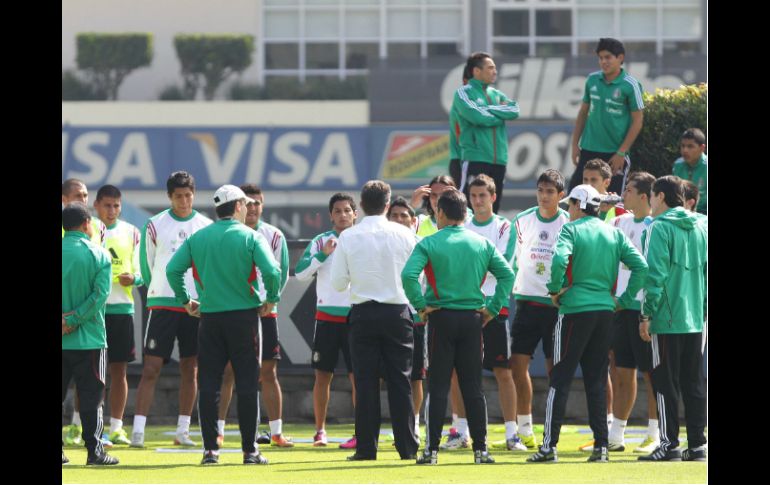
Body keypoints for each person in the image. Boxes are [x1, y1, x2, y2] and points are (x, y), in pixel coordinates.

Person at [527, 184, 647, 464]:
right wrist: (624, 298)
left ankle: (549, 447)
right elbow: (640, 266)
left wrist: (555, 290)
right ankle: (602, 448)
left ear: (579, 205)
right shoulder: (613, 232)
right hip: (605, 312)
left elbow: (559, 259)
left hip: (573, 311)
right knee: (596, 380)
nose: (568, 209)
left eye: (570, 205)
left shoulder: (571, 230)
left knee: (560, 379)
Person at [166, 184, 282, 465]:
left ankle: (210, 451)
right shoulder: (250, 237)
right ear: (239, 206)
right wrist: (272, 298)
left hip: (210, 318)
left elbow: (173, 269)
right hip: (244, 318)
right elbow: (272, 271)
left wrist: (185, 300)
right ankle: (249, 451)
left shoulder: (199, 237)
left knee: (208, 384)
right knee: (246, 384)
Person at [403, 188, 514, 465]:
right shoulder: (482, 243)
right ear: (465, 213)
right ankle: (481, 450)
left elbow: (408, 275)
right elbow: (507, 274)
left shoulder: (429, 243)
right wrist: (491, 308)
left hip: (440, 318)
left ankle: (431, 451)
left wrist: (420, 305)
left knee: (438, 385)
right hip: (472, 320)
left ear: (440, 212)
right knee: (473, 386)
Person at [331, 180, 420, 461]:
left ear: (361, 204)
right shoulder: (405, 235)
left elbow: (337, 283)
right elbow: (419, 277)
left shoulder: (349, 237)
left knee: (366, 382)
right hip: (397, 312)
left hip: (363, 313)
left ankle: (366, 449)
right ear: (387, 202)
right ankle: (407, 447)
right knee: (401, 381)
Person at [131, 171, 213, 448]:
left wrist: (200, 298)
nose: (184, 200)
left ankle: (183, 430)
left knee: (191, 368)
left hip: (194, 307)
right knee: (151, 368)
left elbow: (207, 267)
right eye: (178, 196)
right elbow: (147, 264)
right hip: (163, 304)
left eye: (188, 195)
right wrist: (155, 290)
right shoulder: (154, 224)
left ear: (194, 194)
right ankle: (138, 431)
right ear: (170, 197)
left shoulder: (205, 225)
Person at [215, 184, 293, 448]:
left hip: (265, 311)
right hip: (236, 310)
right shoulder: (228, 233)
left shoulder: (274, 235)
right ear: (240, 205)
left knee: (268, 371)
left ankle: (277, 431)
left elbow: (279, 274)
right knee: (228, 372)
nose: (253, 207)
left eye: (258, 203)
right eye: (249, 203)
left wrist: (271, 301)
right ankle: (219, 430)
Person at [638, 176, 708, 462]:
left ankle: (668, 444)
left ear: (662, 197)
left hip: (666, 319)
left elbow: (654, 275)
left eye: (653, 196)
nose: (650, 202)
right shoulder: (702, 226)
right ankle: (698, 445)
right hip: (695, 319)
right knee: (693, 382)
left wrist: (646, 314)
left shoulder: (659, 227)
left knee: (664, 382)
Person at [507, 169, 570, 451]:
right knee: (517, 366)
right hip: (526, 302)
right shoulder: (522, 220)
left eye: (550, 192)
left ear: (561, 195)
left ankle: (550, 428)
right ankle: (524, 428)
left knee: (553, 369)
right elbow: (512, 259)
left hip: (556, 306)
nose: (544, 196)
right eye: (541, 190)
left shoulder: (569, 222)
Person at [464, 174, 527, 452]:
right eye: (473, 196)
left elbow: (502, 265)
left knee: (503, 371)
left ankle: (512, 434)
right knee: (461, 372)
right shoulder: (462, 226)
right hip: (464, 306)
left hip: (494, 307)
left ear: (493, 197)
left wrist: (470, 269)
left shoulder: (504, 227)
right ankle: (462, 431)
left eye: (482, 195)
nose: (477, 201)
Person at [294, 193, 358, 448]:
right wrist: (322, 255)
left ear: (355, 213)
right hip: (327, 318)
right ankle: (320, 430)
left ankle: (360, 430)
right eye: (338, 211)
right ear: (330, 215)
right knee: (322, 376)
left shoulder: (361, 238)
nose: (343, 215)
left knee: (359, 377)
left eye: (347, 210)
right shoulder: (321, 241)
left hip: (356, 317)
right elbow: (300, 274)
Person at [605, 172, 661, 453]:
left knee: (652, 373)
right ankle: (617, 434)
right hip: (620, 309)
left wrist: (647, 310)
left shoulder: (656, 226)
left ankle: (655, 433)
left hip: (643, 311)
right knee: (622, 371)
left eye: (627, 190)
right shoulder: (618, 222)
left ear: (643, 197)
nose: (622, 194)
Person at [62, 202, 118, 466]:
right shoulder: (99, 254)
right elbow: (100, 295)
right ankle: (94, 452)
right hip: (90, 339)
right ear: (87, 224)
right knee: (92, 397)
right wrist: (74, 319)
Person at [93, 185, 144, 446]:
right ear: (96, 206)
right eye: (107, 205)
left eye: (116, 206)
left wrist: (134, 278)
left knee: (119, 370)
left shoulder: (132, 232)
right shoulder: (86, 229)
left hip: (122, 308)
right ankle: (83, 425)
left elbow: (141, 270)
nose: (111, 211)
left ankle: (116, 427)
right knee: (91, 372)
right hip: (93, 311)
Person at [570, 38, 645, 195]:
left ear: (620, 58)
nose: (604, 61)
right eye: (601, 58)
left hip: (614, 154)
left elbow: (637, 121)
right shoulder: (592, 80)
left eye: (608, 57)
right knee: (575, 196)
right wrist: (575, 145)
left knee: (612, 200)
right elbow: (583, 113)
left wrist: (621, 152)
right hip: (588, 150)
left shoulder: (631, 85)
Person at [452, 51, 520, 213]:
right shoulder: (463, 93)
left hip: (499, 161)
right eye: (490, 68)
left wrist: (487, 109)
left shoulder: (496, 94)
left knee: (493, 210)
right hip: (476, 157)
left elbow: (514, 110)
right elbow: (477, 117)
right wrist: (499, 116)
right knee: (467, 209)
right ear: (476, 71)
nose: (495, 71)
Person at [387, 197, 427, 442]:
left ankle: (414, 425)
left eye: (405, 216)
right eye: (395, 215)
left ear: (414, 221)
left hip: (415, 316)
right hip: (389, 314)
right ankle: (396, 426)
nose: (400, 220)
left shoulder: (422, 244)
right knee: (390, 376)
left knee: (416, 376)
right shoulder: (380, 244)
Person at [672, 128, 707, 215]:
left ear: (702, 148)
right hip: (682, 212)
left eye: (690, 146)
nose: (685, 150)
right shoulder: (678, 165)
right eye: (683, 146)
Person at [448, 65, 472, 186]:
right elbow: (461, 138)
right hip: (462, 160)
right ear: (465, 81)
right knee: (463, 201)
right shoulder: (461, 104)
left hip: (471, 160)